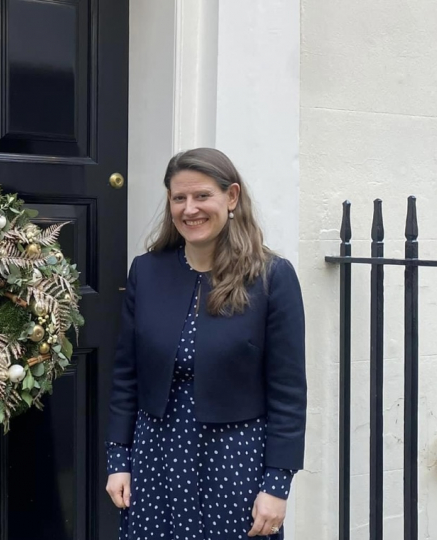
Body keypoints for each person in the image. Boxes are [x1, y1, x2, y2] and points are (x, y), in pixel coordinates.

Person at [105, 148, 306, 539]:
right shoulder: (146, 271)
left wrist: (276, 485)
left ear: (231, 198)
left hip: (233, 460)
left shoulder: (271, 278)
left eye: (201, 196)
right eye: (179, 198)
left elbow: (288, 392)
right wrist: (119, 460)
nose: (189, 209)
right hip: (155, 457)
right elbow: (126, 375)